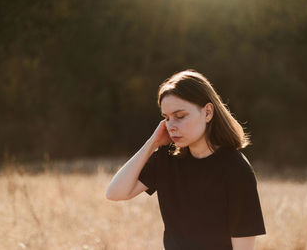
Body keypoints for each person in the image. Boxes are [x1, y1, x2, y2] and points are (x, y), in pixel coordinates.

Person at [106, 69, 266, 250]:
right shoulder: (166, 160)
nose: (171, 126)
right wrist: (152, 143)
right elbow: (115, 193)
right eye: (166, 118)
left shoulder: (236, 169)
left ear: (207, 113)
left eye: (180, 116)